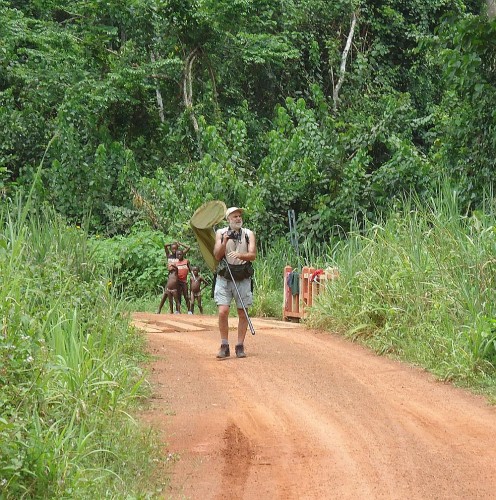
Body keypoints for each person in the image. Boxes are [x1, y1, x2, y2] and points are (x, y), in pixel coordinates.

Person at [213, 206, 256, 359]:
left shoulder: (248, 234)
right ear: (228, 220)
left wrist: (240, 255)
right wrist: (224, 241)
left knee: (242, 312)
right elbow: (217, 255)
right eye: (234, 216)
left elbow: (252, 255)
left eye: (239, 216)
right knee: (223, 311)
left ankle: (239, 345)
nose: (238, 218)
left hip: (243, 276)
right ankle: (224, 344)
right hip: (225, 277)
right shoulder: (220, 233)